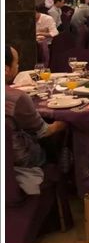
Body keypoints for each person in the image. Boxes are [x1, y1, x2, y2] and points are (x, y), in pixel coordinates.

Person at [6, 46, 67, 179]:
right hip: (18, 158)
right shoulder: (17, 97)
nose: (18, 66)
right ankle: (64, 178)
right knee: (58, 140)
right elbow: (43, 131)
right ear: (5, 69)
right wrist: (63, 123)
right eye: (16, 62)